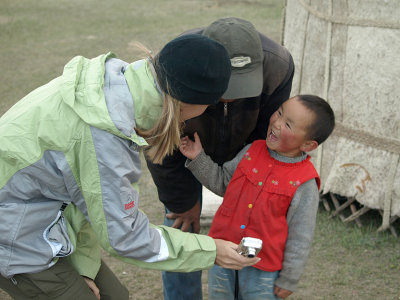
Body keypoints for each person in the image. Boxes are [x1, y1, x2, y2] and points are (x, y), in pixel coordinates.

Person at [0, 34, 260, 300]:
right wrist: (212, 250)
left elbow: (88, 198)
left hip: (48, 215)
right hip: (16, 235)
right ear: (189, 102)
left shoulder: (119, 87)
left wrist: (85, 267)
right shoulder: (105, 134)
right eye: (211, 102)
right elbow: (125, 237)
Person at [145, 17, 295, 300]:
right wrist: (183, 202)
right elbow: (159, 144)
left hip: (245, 159)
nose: (231, 100)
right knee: (182, 231)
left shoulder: (278, 66)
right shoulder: (175, 64)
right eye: (226, 89)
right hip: (183, 152)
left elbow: (266, 136)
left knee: (248, 238)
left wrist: (248, 189)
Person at [180, 95, 335, 299]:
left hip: (262, 270)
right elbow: (224, 183)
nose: (277, 123)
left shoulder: (304, 183)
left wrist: (289, 279)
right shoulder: (252, 151)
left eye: (288, 124)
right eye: (279, 113)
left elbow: (300, 236)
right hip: (223, 256)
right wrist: (198, 157)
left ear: (308, 145)